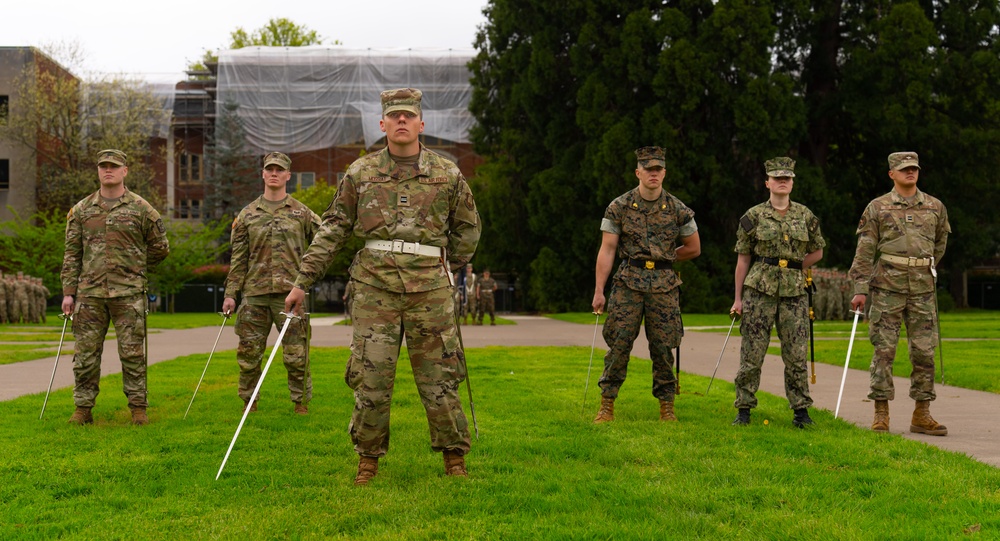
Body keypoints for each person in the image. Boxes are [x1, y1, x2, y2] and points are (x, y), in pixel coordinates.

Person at [284, 88, 481, 485]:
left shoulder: (447, 173)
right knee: (370, 377)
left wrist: (443, 264)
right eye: (395, 116)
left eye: (409, 115)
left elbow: (468, 230)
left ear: (422, 124)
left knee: (440, 375)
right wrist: (302, 280)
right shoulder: (360, 173)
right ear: (383, 125)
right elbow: (334, 229)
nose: (402, 121)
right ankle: (367, 459)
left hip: (430, 291)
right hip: (375, 288)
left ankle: (454, 457)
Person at [591, 146, 701, 423]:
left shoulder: (678, 209)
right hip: (628, 284)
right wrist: (598, 291)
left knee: (664, 347)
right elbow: (607, 250)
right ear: (637, 172)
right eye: (648, 169)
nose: (653, 174)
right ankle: (607, 404)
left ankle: (667, 406)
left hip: (664, 287)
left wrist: (664, 259)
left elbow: (693, 247)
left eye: (658, 169)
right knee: (619, 344)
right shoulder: (619, 206)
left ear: (664, 172)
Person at [61, 149, 169, 425]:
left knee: (132, 354)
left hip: (129, 294)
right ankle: (83, 408)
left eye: (114, 166)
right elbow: (72, 254)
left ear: (125, 171)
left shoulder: (142, 209)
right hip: (90, 295)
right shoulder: (82, 210)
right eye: (103, 166)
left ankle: (138, 408)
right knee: (85, 355)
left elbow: (160, 248)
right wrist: (68, 293)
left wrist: (135, 267)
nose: (108, 170)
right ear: (98, 171)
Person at [848, 151, 950, 436]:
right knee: (883, 351)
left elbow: (940, 244)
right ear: (892, 173)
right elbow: (865, 250)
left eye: (914, 168)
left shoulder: (935, 207)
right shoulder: (878, 208)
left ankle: (922, 413)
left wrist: (921, 267)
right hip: (886, 289)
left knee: (924, 353)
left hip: (922, 290)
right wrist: (860, 288)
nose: (910, 172)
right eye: (904, 169)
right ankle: (881, 413)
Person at [222, 152, 321, 415]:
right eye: (270, 169)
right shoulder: (247, 215)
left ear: (288, 175)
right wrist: (231, 293)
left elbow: (323, 246)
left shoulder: (302, 213)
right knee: (249, 354)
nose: (274, 173)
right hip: (254, 294)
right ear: (263, 174)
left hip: (291, 294)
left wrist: (307, 279)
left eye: (280, 169)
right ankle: (249, 401)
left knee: (296, 354)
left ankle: (300, 403)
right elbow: (238, 259)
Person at [730, 157, 825, 428]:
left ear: (792, 183)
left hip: (794, 293)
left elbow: (817, 250)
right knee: (752, 353)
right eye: (777, 177)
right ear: (767, 182)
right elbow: (743, 259)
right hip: (759, 290)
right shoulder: (753, 216)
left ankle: (801, 411)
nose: (782, 181)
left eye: (787, 178)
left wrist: (794, 267)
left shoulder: (805, 216)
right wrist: (737, 299)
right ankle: (744, 408)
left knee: (796, 354)